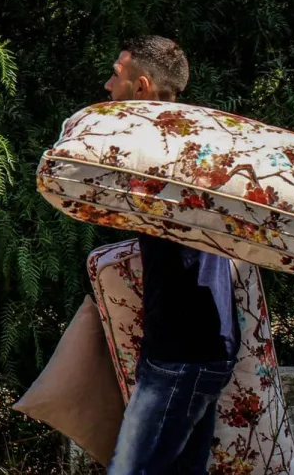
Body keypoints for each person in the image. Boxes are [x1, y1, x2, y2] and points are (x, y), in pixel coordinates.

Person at [103, 35, 239, 475]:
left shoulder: (164, 152)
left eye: (116, 75)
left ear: (141, 86)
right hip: (202, 342)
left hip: (185, 350)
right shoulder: (196, 142)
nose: (108, 85)